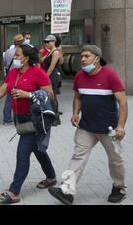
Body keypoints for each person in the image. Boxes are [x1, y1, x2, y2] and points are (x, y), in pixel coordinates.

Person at [0, 44, 56, 204]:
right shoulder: (13, 72)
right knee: (39, 150)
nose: (15, 58)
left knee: (22, 154)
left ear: (26, 58)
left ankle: (14, 192)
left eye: (18, 55)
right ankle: (51, 177)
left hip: (35, 119)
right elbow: (1, 91)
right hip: (20, 118)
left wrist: (29, 94)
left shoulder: (38, 73)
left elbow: (50, 95)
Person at [49, 45, 128, 205]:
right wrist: (75, 113)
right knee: (78, 156)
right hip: (86, 127)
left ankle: (119, 187)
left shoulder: (110, 75)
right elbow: (78, 97)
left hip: (109, 129)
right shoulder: (79, 76)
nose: (83, 59)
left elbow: (123, 102)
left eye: (87, 56)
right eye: (82, 56)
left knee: (115, 159)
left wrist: (120, 126)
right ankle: (66, 190)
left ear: (97, 58)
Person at [2, 34, 25, 125]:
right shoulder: (23, 52)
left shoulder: (8, 51)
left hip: (10, 75)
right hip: (20, 75)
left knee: (9, 98)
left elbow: (5, 63)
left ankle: (6, 118)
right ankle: (18, 118)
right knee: (20, 97)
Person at [42, 35, 61, 125]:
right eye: (45, 42)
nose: (46, 43)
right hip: (49, 75)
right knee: (50, 97)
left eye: (48, 42)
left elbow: (52, 67)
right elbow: (41, 61)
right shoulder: (50, 52)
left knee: (52, 96)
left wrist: (45, 78)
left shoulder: (56, 52)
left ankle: (56, 118)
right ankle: (54, 117)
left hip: (52, 75)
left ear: (53, 42)